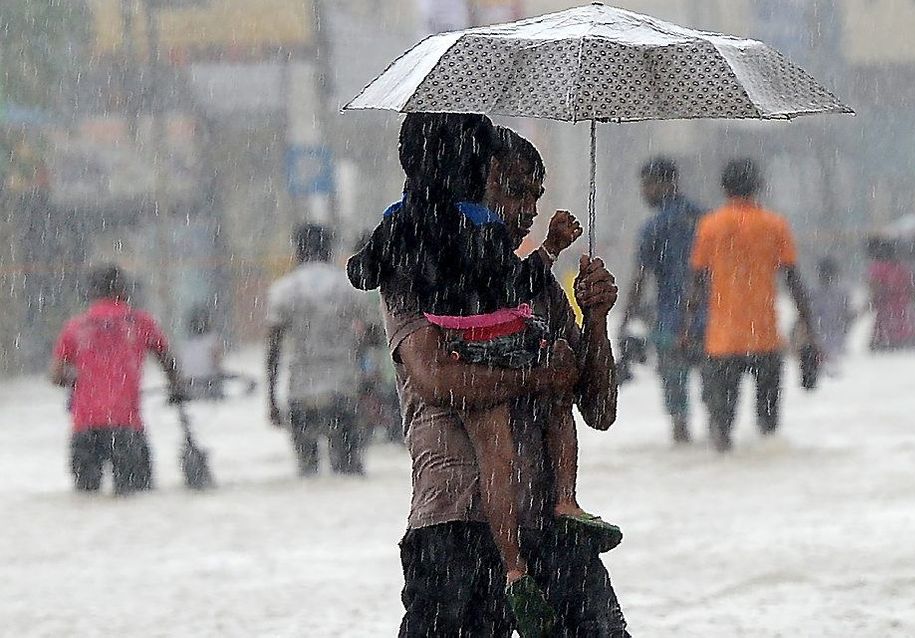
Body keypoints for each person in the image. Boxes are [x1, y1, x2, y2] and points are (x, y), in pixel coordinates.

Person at [349, 114, 620, 635]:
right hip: (456, 527)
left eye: (535, 198)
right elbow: (439, 380)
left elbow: (600, 410)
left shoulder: (536, 284)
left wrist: (597, 320)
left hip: (549, 528)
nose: (526, 213)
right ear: (473, 184)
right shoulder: (415, 271)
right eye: (514, 192)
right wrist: (540, 379)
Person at [685, 158, 817, 453]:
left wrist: (687, 327)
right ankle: (768, 485)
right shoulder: (775, 225)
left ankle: (724, 481)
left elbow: (696, 283)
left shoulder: (710, 226)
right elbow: (794, 281)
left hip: (722, 340)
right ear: (758, 185)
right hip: (765, 337)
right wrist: (809, 328)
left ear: (724, 187)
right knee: (769, 429)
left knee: (721, 428)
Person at [49, 265, 183, 494]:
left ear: (91, 292)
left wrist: (83, 379)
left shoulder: (75, 327)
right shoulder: (139, 322)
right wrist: (177, 387)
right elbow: (167, 361)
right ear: (123, 289)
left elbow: (56, 376)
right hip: (126, 427)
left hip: (85, 428)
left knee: (87, 501)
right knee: (136, 500)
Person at [266, 224, 369, 477]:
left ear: (298, 250)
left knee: (308, 473)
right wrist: (366, 379)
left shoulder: (283, 290)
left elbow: (273, 350)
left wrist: (270, 398)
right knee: (349, 472)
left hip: (300, 390)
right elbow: (371, 336)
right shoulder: (348, 287)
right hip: (343, 388)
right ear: (329, 249)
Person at [620, 157, 706, 443]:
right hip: (710, 321)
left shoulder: (653, 228)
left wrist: (624, 322)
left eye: (647, 185)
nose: (643, 192)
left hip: (670, 323)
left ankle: (683, 455)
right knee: (716, 404)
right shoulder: (705, 219)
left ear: (666, 183)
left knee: (678, 410)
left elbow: (639, 279)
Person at [866, 237, 915, 351]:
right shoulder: (902, 268)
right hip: (906, 321)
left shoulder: (876, 269)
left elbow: (875, 292)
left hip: (887, 322)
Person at [809, 256, 855, 375]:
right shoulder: (843, 293)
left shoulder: (813, 292)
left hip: (822, 343)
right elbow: (848, 318)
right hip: (835, 343)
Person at [177, 306, 225, 400]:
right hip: (209, 388)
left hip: (189, 389)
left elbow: (180, 370)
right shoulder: (212, 340)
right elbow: (217, 365)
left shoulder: (184, 345)